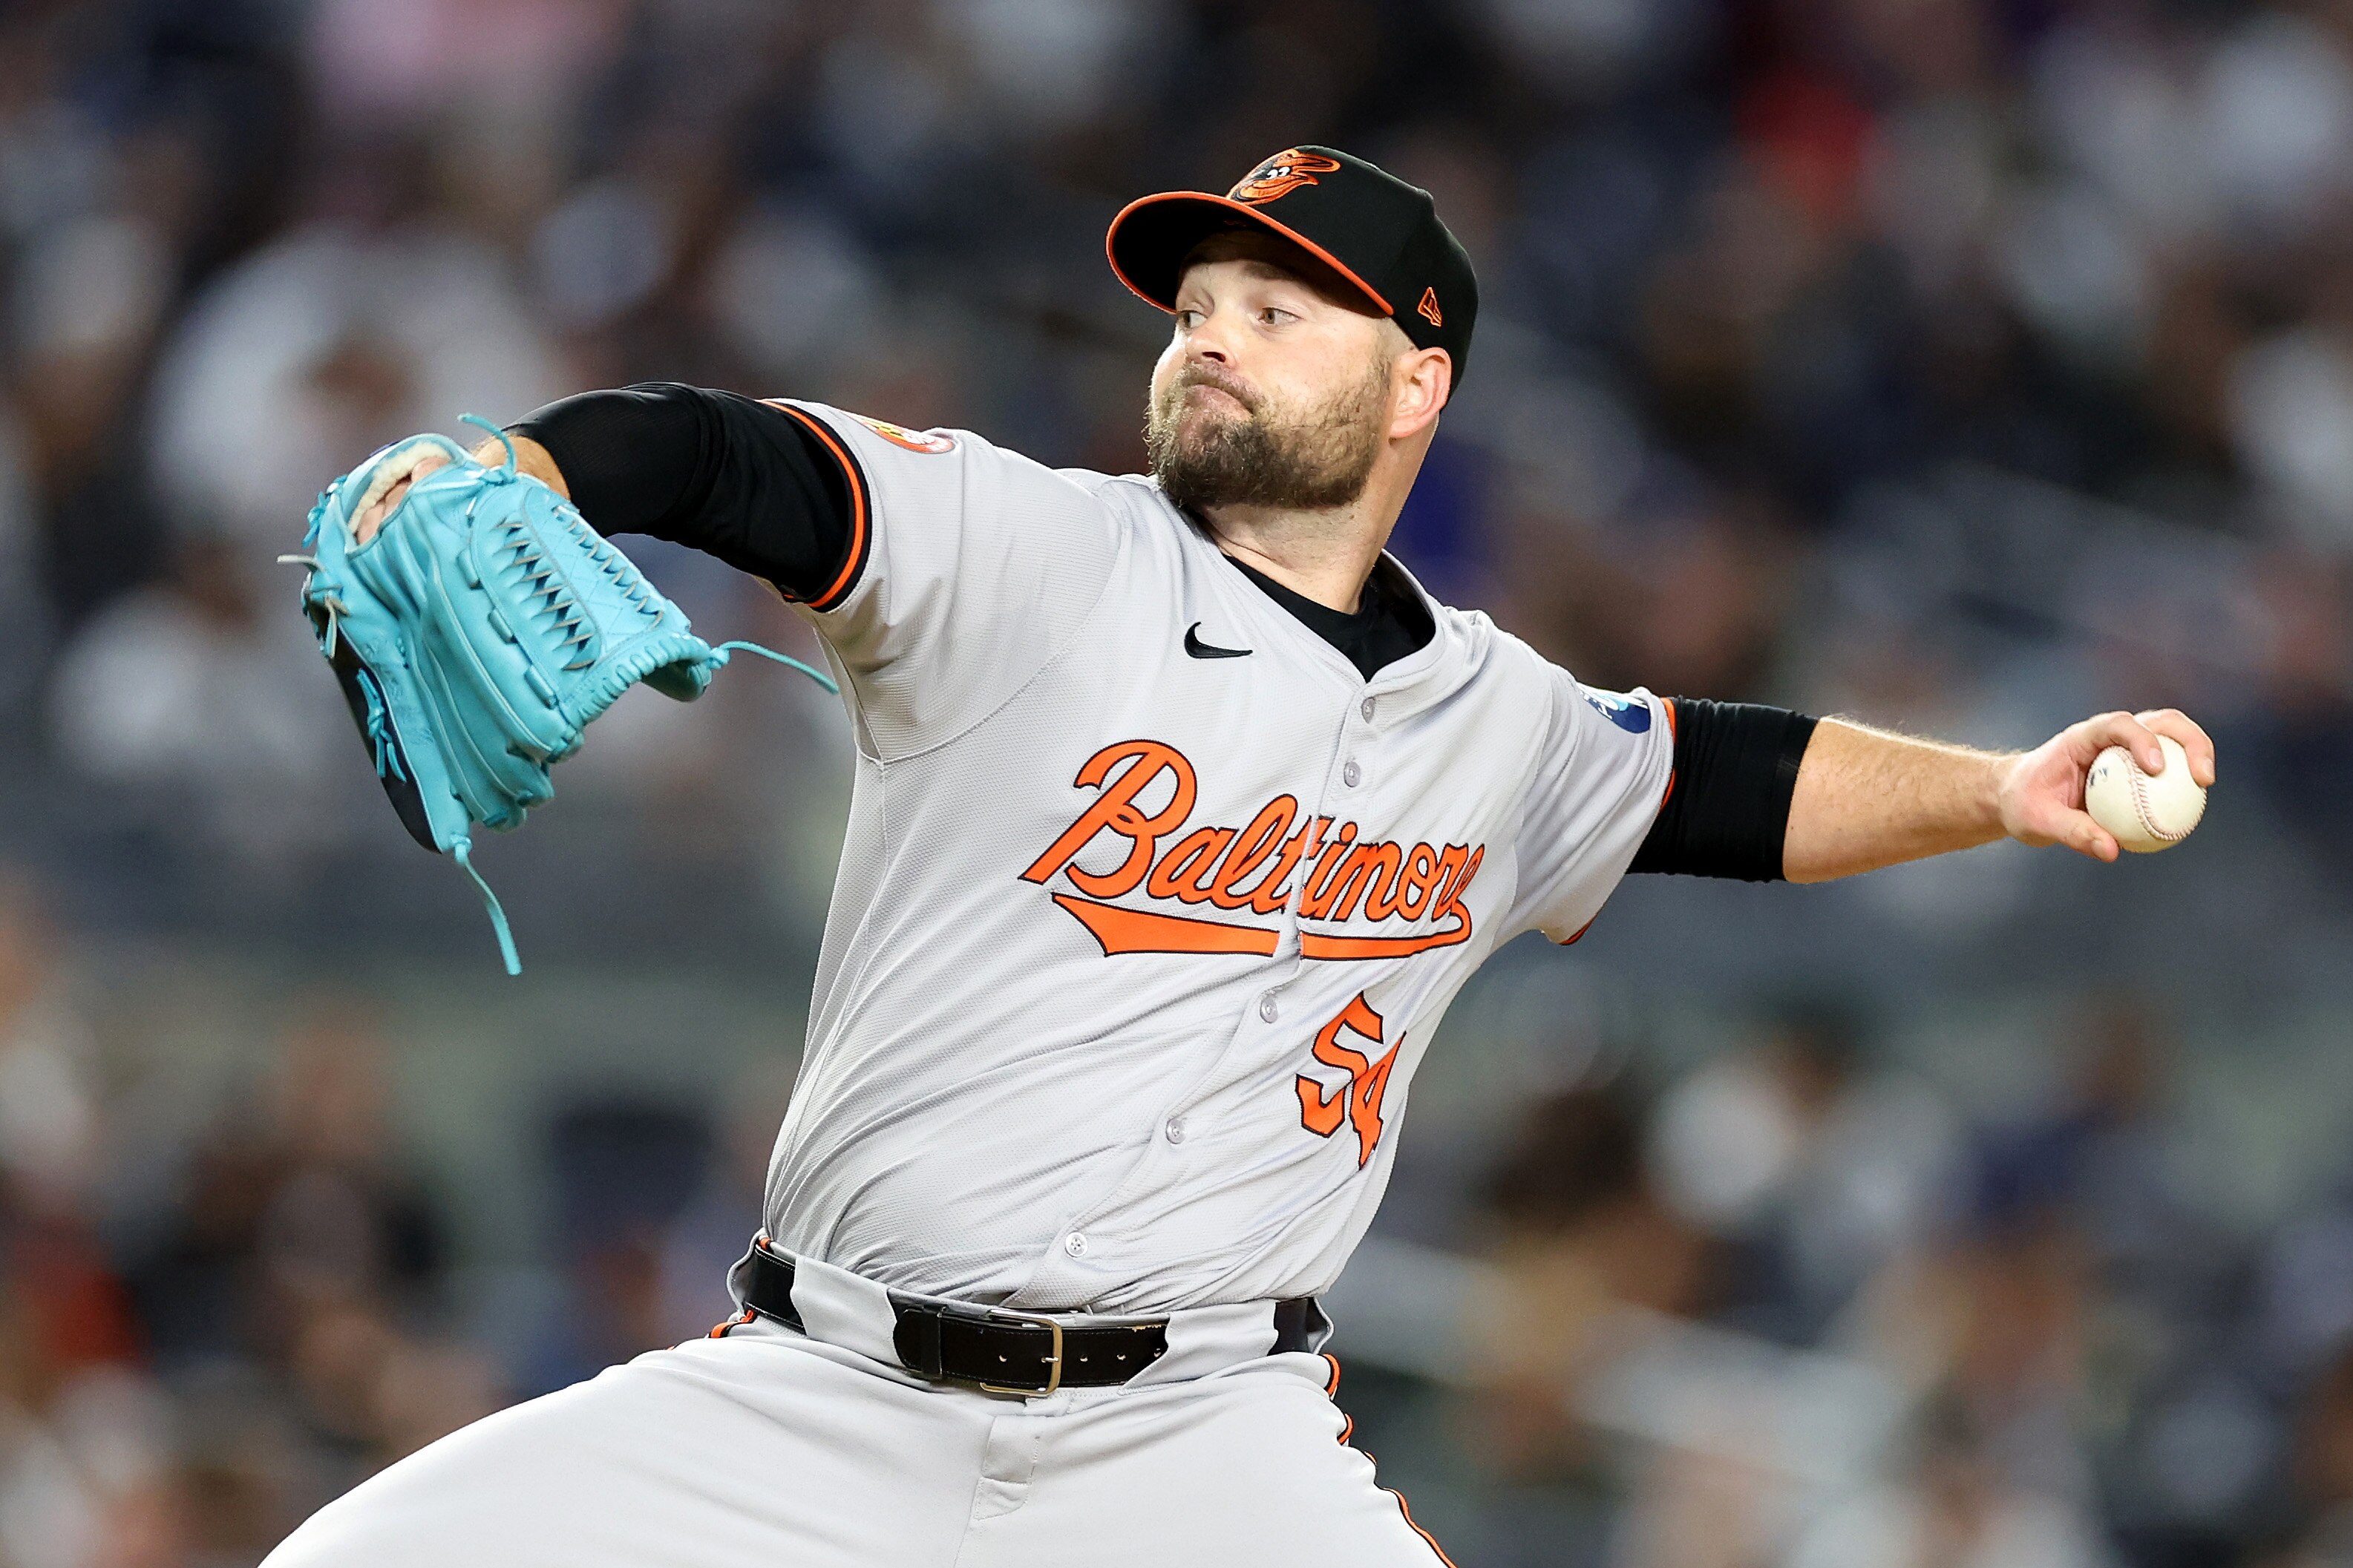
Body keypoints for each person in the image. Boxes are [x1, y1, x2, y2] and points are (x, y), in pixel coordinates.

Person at [262, 146, 2213, 1567]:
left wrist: (1999, 779)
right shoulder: (1032, 551)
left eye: (1278, 311)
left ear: (1415, 382)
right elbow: (739, 456)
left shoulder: (1496, 720)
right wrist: (533, 459)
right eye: (1196, 308)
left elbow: (1714, 777)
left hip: (1202, 1443)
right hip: (820, 1395)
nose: (1209, 340)